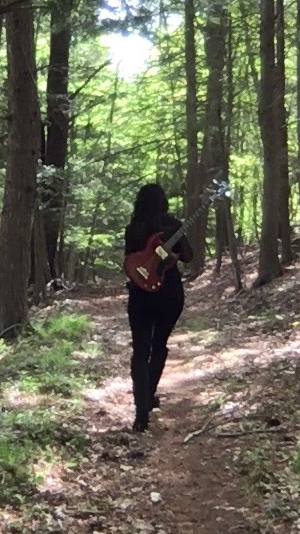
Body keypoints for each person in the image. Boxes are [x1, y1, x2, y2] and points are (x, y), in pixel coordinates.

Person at [124, 183, 193, 432]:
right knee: (159, 345)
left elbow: (130, 262)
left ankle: (141, 413)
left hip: (140, 296)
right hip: (170, 295)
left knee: (140, 351)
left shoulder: (133, 229)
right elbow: (188, 256)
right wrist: (170, 257)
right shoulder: (173, 225)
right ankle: (149, 393)